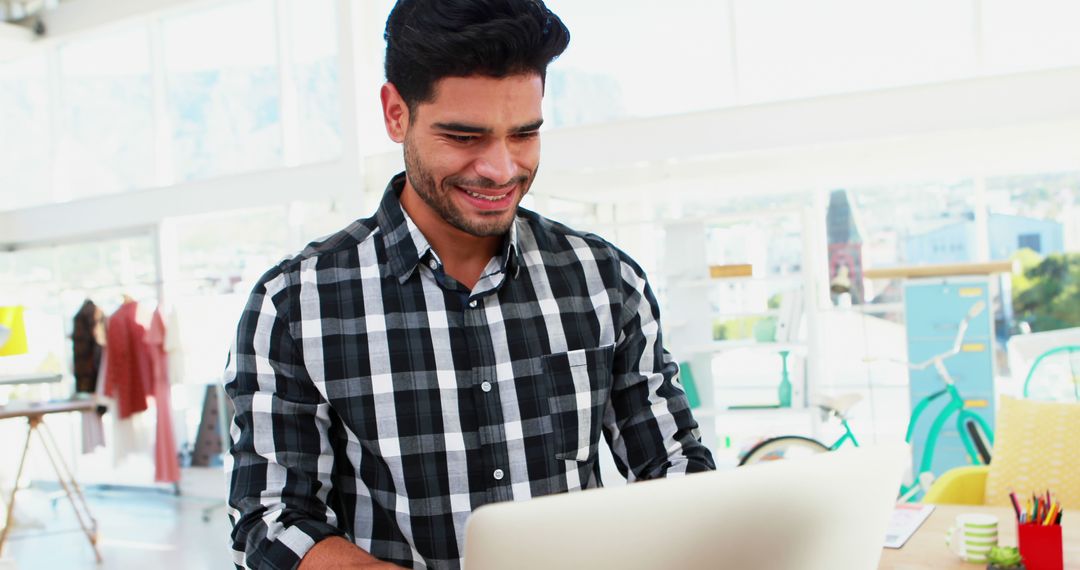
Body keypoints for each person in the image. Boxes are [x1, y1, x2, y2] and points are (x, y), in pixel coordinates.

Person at [225, 0, 715, 568]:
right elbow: (271, 520)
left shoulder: (606, 280)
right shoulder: (294, 305)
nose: (501, 169)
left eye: (524, 134)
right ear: (395, 113)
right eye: (464, 137)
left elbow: (674, 469)